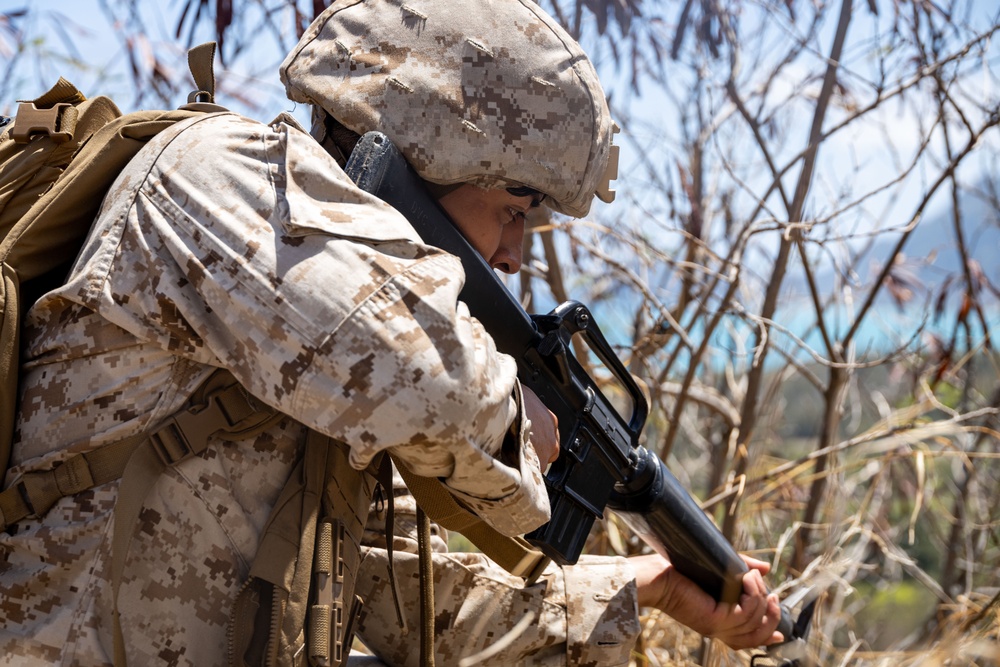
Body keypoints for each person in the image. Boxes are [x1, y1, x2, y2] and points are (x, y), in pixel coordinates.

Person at [0, 0, 783, 665]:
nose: (513, 254)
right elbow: (428, 384)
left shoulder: (313, 363)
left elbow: (415, 599)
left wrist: (646, 589)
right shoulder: (221, 175)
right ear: (433, 146)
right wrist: (520, 419)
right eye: (513, 210)